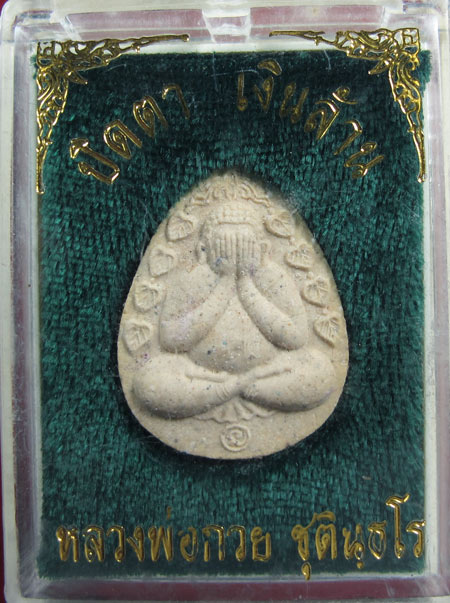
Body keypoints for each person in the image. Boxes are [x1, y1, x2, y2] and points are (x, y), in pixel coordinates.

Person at [132, 201, 337, 419]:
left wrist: (246, 285)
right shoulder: (192, 279)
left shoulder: (273, 277)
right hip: (200, 373)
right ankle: (223, 391)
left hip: (268, 372)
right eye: (225, 247)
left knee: (320, 370)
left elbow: (296, 338)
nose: (235, 255)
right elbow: (170, 340)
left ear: (262, 249)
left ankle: (247, 389)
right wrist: (225, 284)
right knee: (150, 380)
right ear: (203, 250)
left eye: (244, 246)